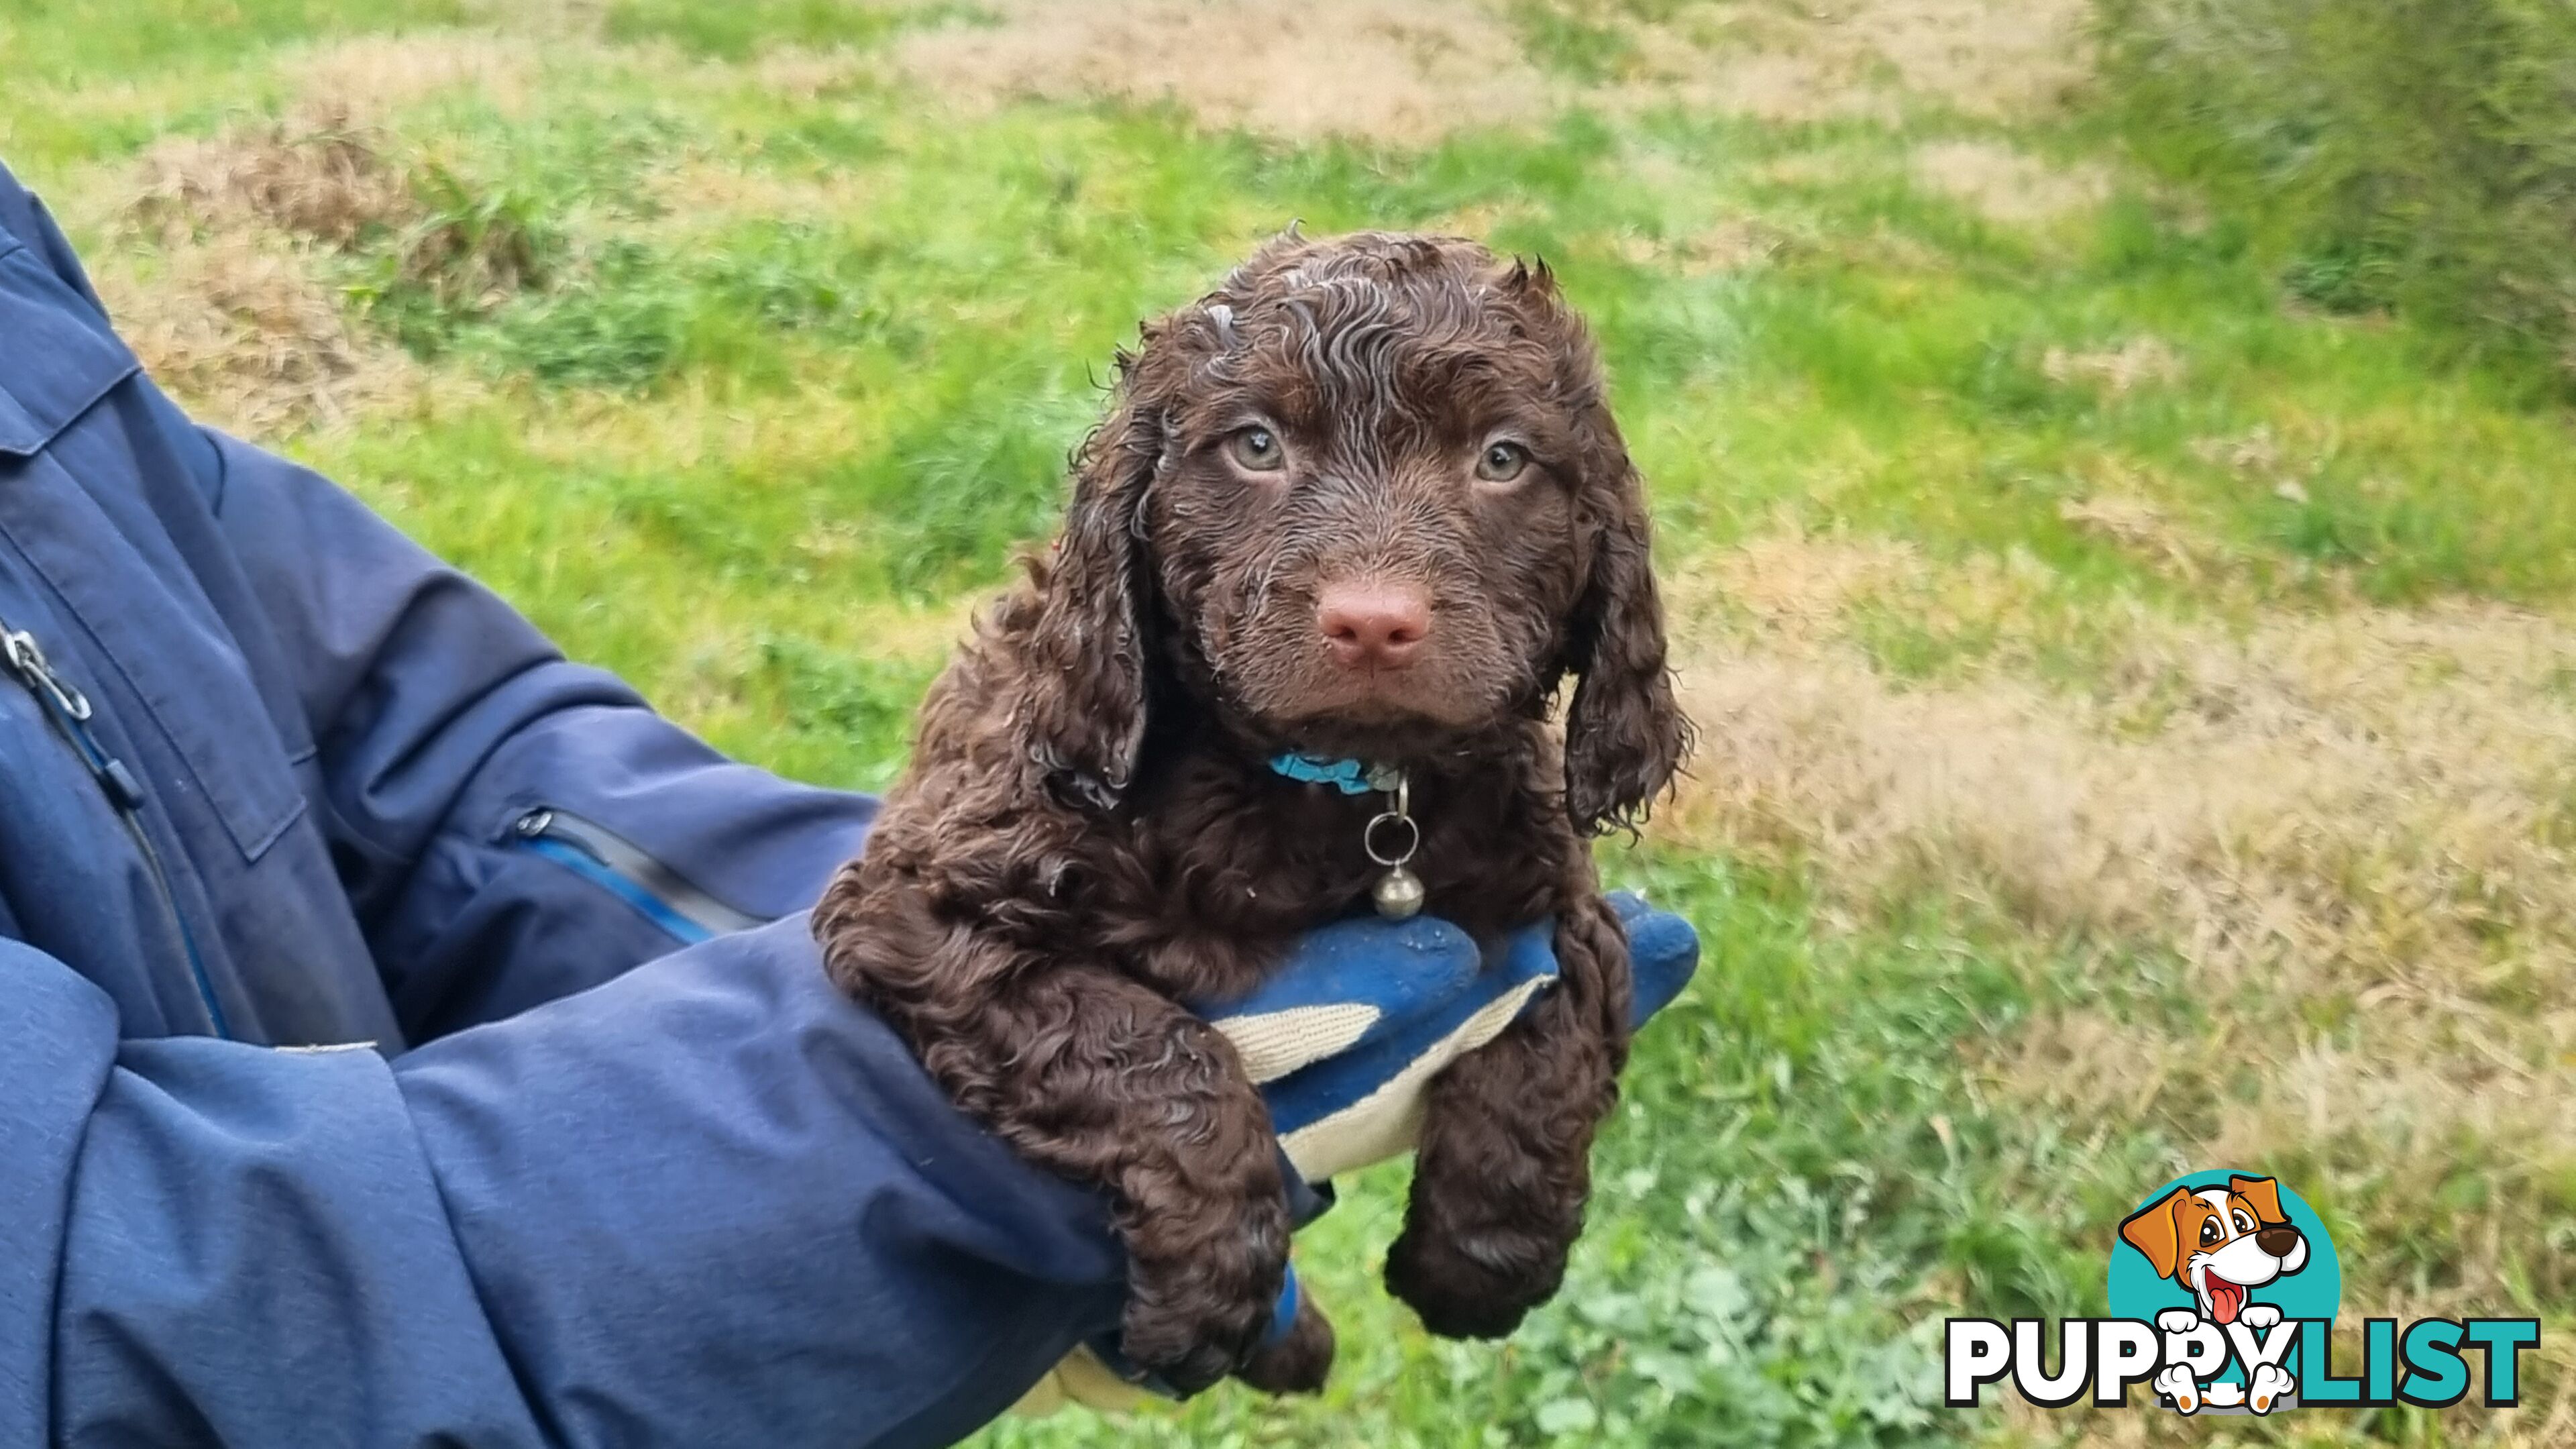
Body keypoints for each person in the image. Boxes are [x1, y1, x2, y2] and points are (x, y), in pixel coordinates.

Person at [0, 158, 1699, 1447]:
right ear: (1127, 545)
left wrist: (1507, 1180)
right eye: (1257, 448)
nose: (1378, 592)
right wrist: (1097, 1151)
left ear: (1598, 573)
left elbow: (403, 734)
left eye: (1495, 464)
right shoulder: (1077, 743)